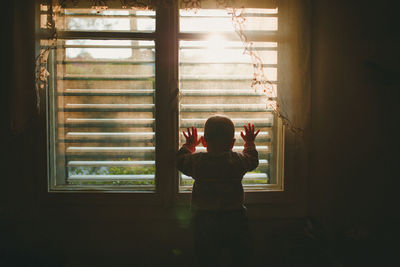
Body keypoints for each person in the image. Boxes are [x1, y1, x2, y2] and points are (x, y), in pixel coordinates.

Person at [176, 115, 260, 267]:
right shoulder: (237, 161)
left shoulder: (198, 161)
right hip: (234, 217)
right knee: (237, 256)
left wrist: (189, 145)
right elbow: (252, 160)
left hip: (204, 218)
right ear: (232, 143)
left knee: (206, 256)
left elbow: (180, 160)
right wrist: (249, 142)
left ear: (204, 142)